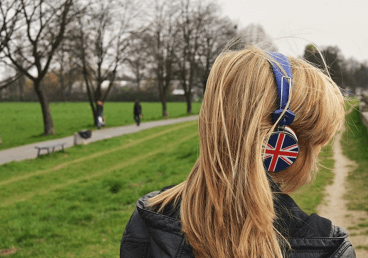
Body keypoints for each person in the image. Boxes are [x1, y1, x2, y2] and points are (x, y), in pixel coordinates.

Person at [120, 46, 355, 258]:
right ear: (281, 144)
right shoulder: (328, 248)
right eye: (314, 143)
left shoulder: (149, 217)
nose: (316, 159)